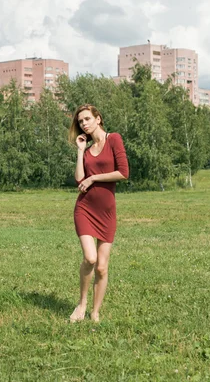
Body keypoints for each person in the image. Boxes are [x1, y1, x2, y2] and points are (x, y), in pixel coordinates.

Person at [68, 104, 129, 323]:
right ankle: (82, 305)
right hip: (85, 208)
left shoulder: (114, 139)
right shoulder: (88, 148)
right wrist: (80, 151)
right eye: (80, 122)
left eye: (86, 119)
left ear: (98, 118)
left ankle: (95, 312)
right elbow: (78, 178)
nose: (83, 124)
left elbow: (123, 172)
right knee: (90, 258)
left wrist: (94, 178)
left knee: (102, 268)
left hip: (106, 212)